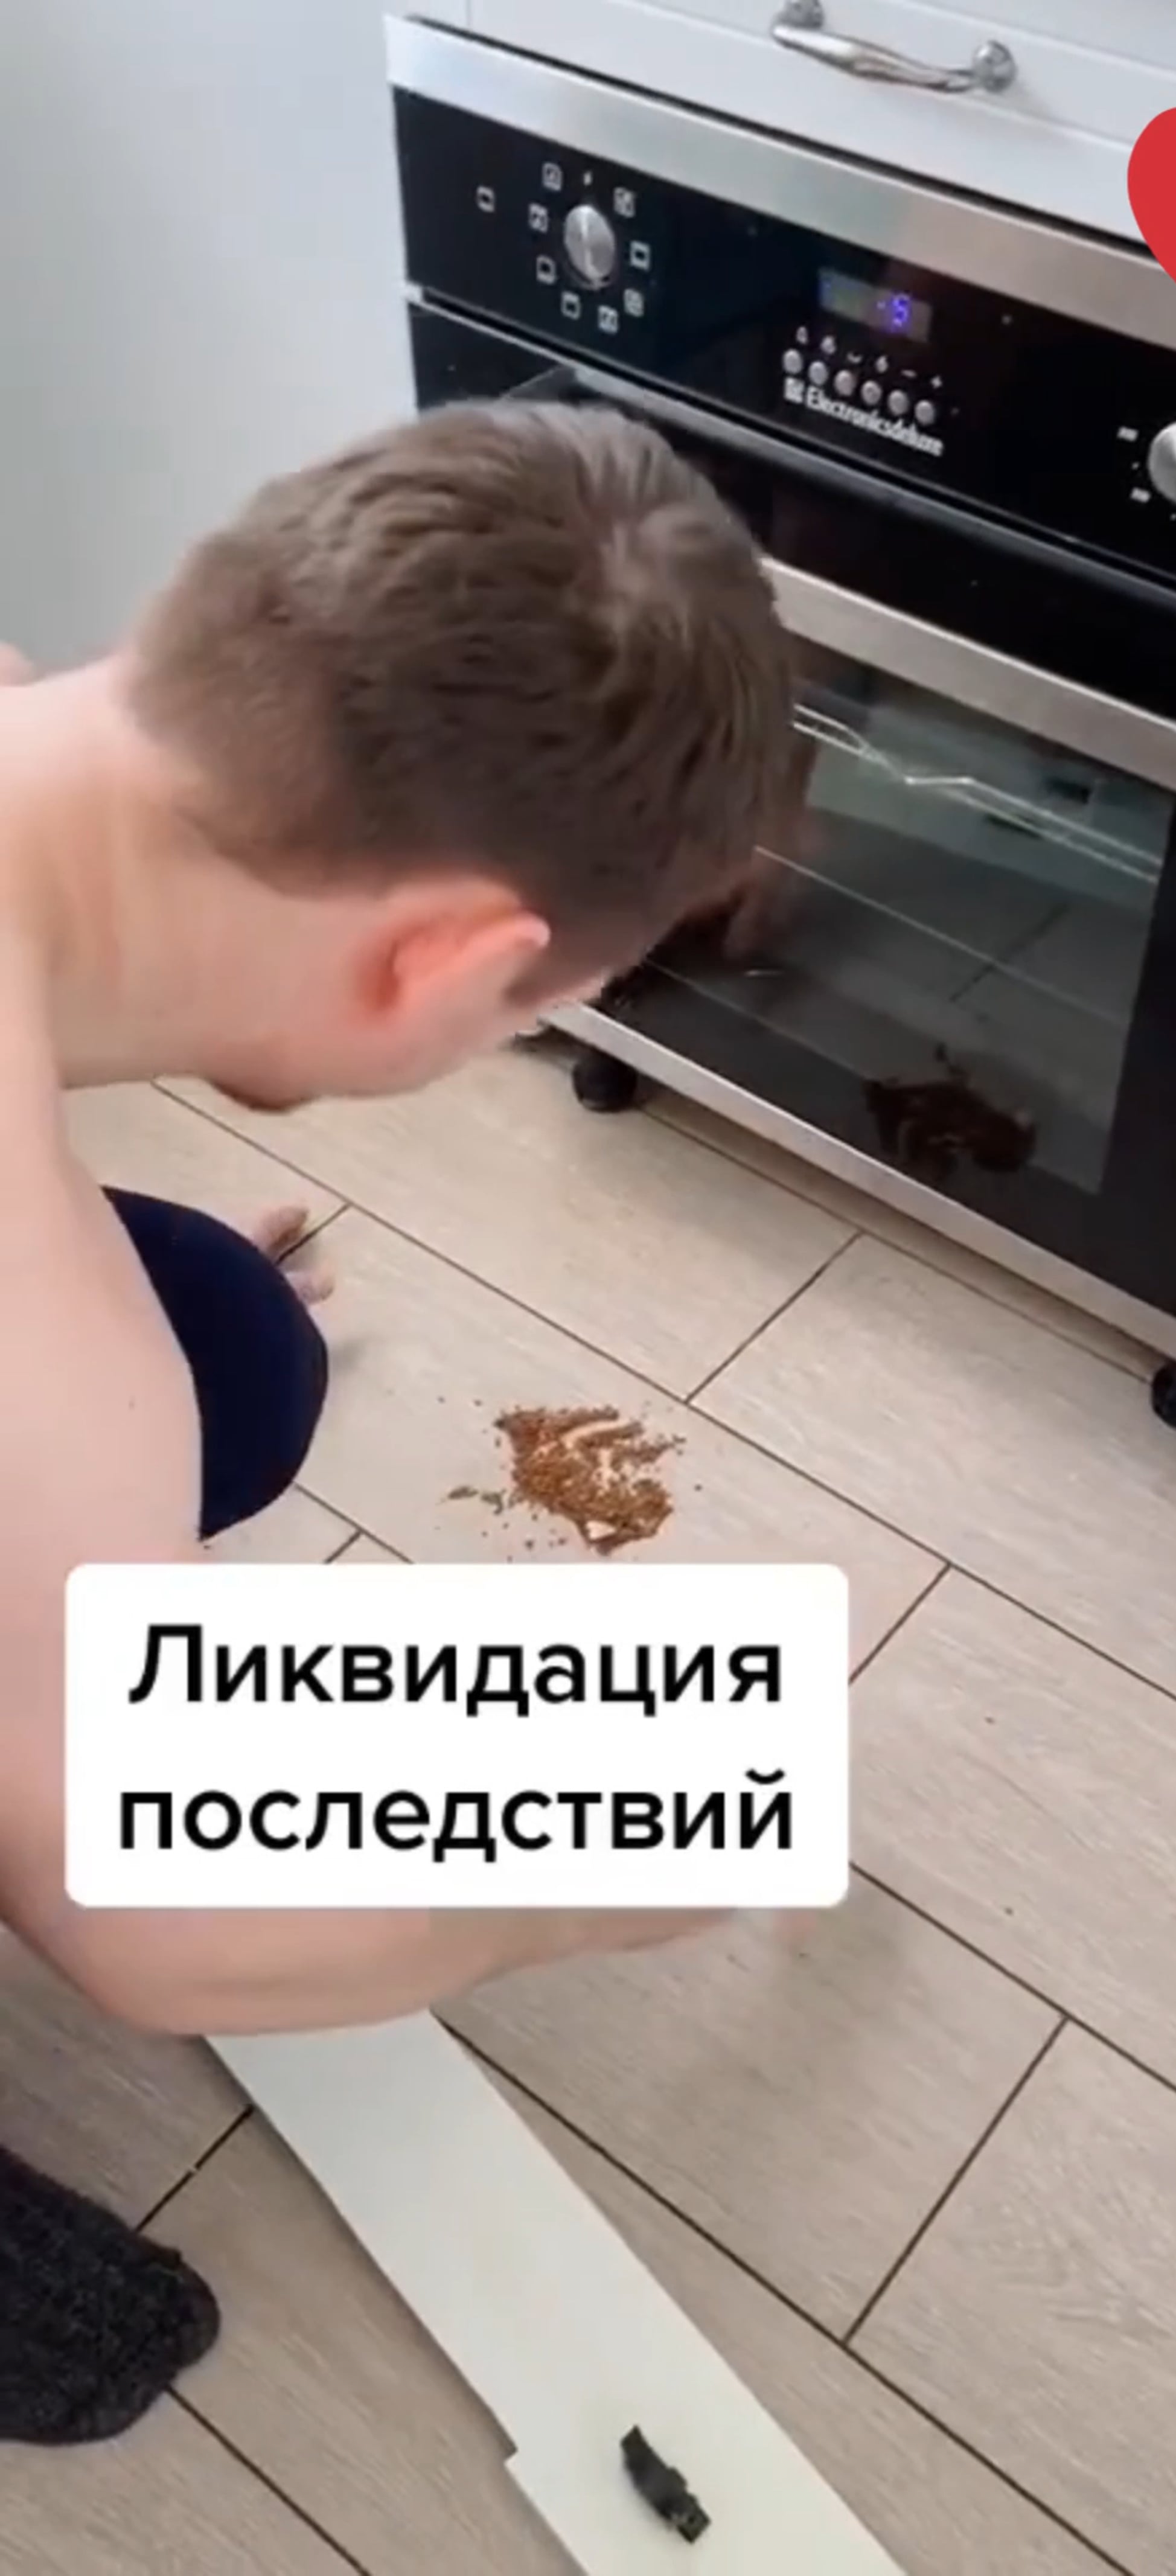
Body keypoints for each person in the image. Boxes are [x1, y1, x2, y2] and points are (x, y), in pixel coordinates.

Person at [0, 398, 797, 2044]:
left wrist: (75, 1265)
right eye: (529, 1010)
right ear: (446, 964)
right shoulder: (54, 1354)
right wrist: (579, 1870)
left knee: (220, 1337)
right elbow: (151, 1924)